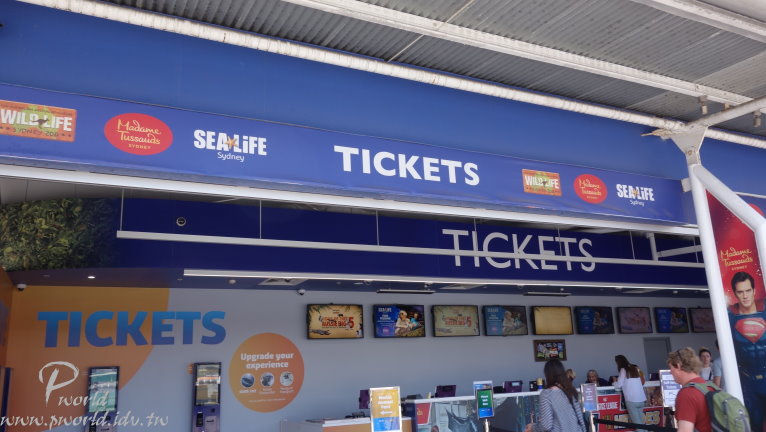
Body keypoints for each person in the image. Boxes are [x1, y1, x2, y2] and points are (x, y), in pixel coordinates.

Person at [727, 271, 766, 431]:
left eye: (748, 290)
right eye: (740, 292)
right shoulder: (729, 317)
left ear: (754, 291)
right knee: (753, 423)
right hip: (747, 380)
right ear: (735, 294)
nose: (745, 296)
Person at [525, 359, 586, 432]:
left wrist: (532, 427)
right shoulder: (571, 390)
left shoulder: (547, 394)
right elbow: (580, 420)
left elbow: (546, 426)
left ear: (547, 375)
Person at [667, 347, 710, 432]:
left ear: (678, 366)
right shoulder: (710, 386)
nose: (670, 372)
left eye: (671, 368)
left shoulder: (686, 394)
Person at [614, 355, 646, 432]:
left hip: (631, 400)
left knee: (638, 425)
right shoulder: (634, 368)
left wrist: (614, 382)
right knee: (642, 424)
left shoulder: (623, 370)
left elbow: (619, 384)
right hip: (641, 399)